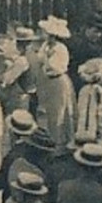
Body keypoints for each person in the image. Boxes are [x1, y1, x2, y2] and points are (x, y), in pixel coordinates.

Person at [29, 16, 76, 147]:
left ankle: (60, 141)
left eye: (50, 34)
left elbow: (55, 67)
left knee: (59, 112)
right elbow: (39, 61)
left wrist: (46, 62)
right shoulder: (45, 46)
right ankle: (50, 139)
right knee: (48, 113)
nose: (47, 36)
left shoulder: (60, 49)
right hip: (47, 83)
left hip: (58, 82)